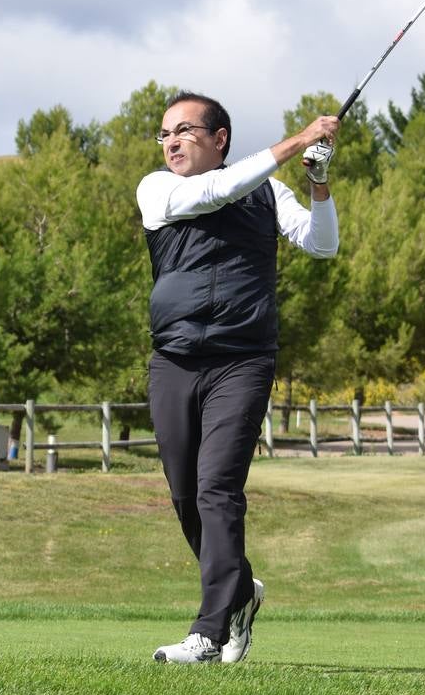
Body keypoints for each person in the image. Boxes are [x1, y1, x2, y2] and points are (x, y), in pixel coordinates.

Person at [137, 91, 340, 664]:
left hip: (242, 361)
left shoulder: (269, 190)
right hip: (174, 360)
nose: (171, 142)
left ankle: (209, 632)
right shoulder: (159, 188)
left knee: (217, 489)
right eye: (165, 134)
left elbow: (322, 244)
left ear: (220, 138)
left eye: (184, 131)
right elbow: (214, 192)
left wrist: (319, 184)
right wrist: (297, 142)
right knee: (185, 497)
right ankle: (240, 590)